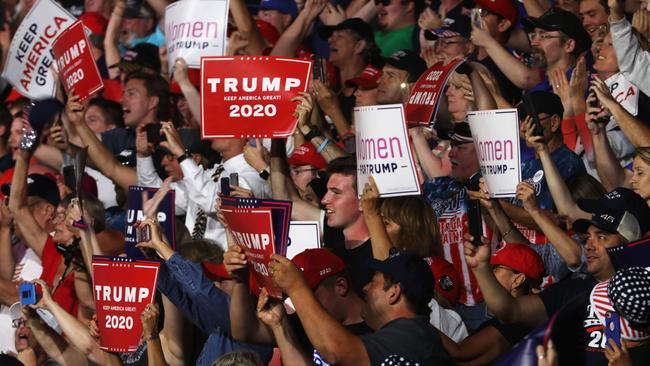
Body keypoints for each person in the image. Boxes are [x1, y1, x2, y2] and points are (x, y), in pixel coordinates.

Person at [465, 188, 650, 365]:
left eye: (601, 237)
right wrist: (481, 268)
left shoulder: (646, 295)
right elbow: (510, 311)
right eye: (587, 238)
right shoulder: (573, 293)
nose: (589, 246)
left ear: (628, 242)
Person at [268, 250, 452, 365]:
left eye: (374, 282)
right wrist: (279, 325)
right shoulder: (409, 334)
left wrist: (297, 288)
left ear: (394, 293)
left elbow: (335, 352)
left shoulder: (411, 335)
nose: (365, 287)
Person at [441, 243, 545, 364]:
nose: (488, 274)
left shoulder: (517, 323)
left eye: (495, 268)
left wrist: (419, 318)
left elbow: (459, 353)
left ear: (518, 280)